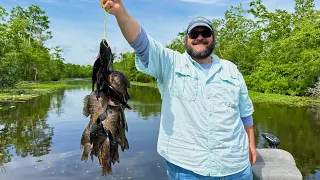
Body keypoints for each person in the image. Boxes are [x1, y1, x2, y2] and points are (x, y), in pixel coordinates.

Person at [100, 0, 256, 179]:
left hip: (236, 166)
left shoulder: (231, 69)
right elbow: (142, 43)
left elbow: (245, 113)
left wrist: (251, 144)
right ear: (186, 39)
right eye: (194, 33)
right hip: (187, 169)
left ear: (213, 37)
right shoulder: (170, 63)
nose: (199, 37)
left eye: (205, 32)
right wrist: (120, 12)